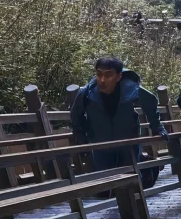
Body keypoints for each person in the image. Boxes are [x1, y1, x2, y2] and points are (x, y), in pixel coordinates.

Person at [70, 56, 167, 185]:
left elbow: (151, 102)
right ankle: (144, 160)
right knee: (105, 186)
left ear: (118, 76)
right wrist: (81, 135)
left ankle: (149, 167)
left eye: (108, 75)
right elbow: (76, 114)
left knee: (132, 183)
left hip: (127, 140)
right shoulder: (86, 93)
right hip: (100, 142)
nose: (102, 80)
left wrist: (157, 127)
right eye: (99, 74)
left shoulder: (132, 89)